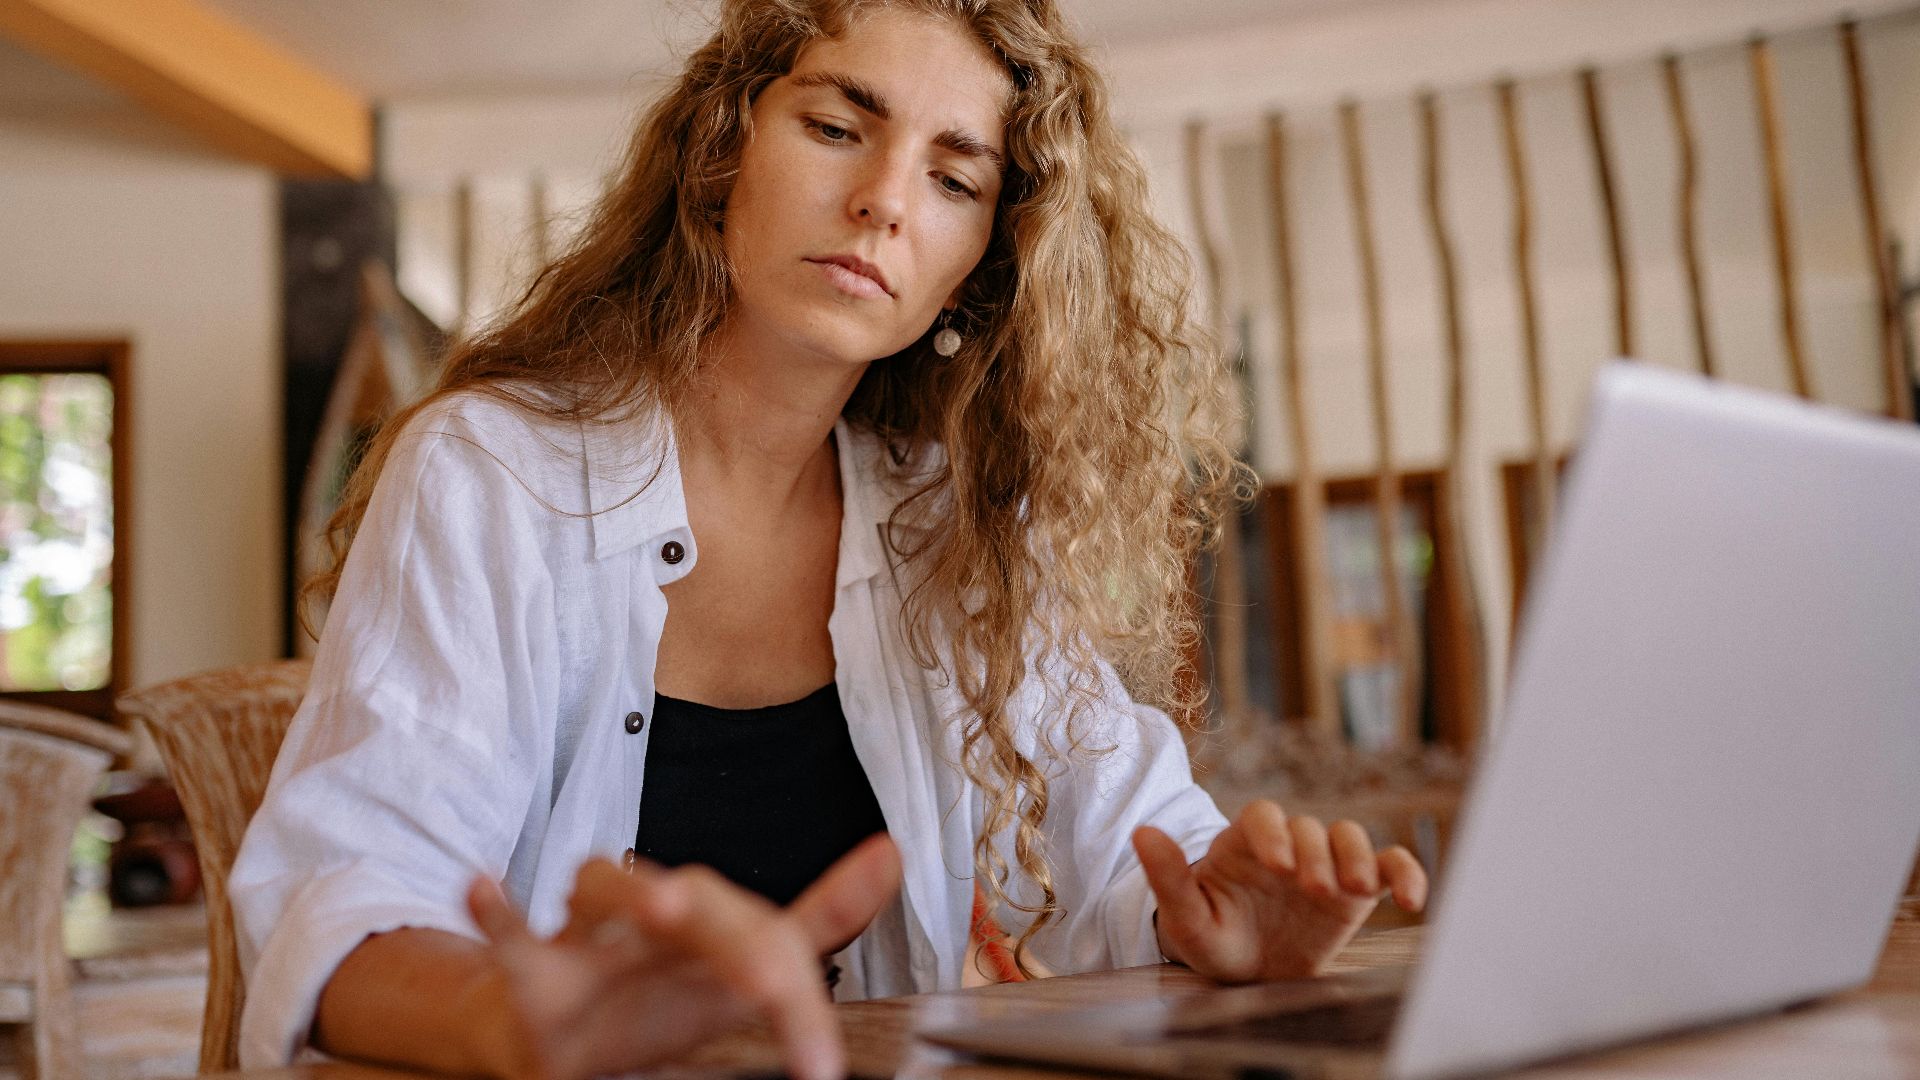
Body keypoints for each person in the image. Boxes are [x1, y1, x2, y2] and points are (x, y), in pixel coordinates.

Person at [229, 1, 1430, 1078]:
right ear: (723, 153)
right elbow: (345, 896)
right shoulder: (489, 473)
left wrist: (1216, 918)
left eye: (956, 182)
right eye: (837, 126)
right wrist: (509, 1019)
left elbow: (1128, 846)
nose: (885, 201)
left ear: (974, 275)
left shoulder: (952, 529)